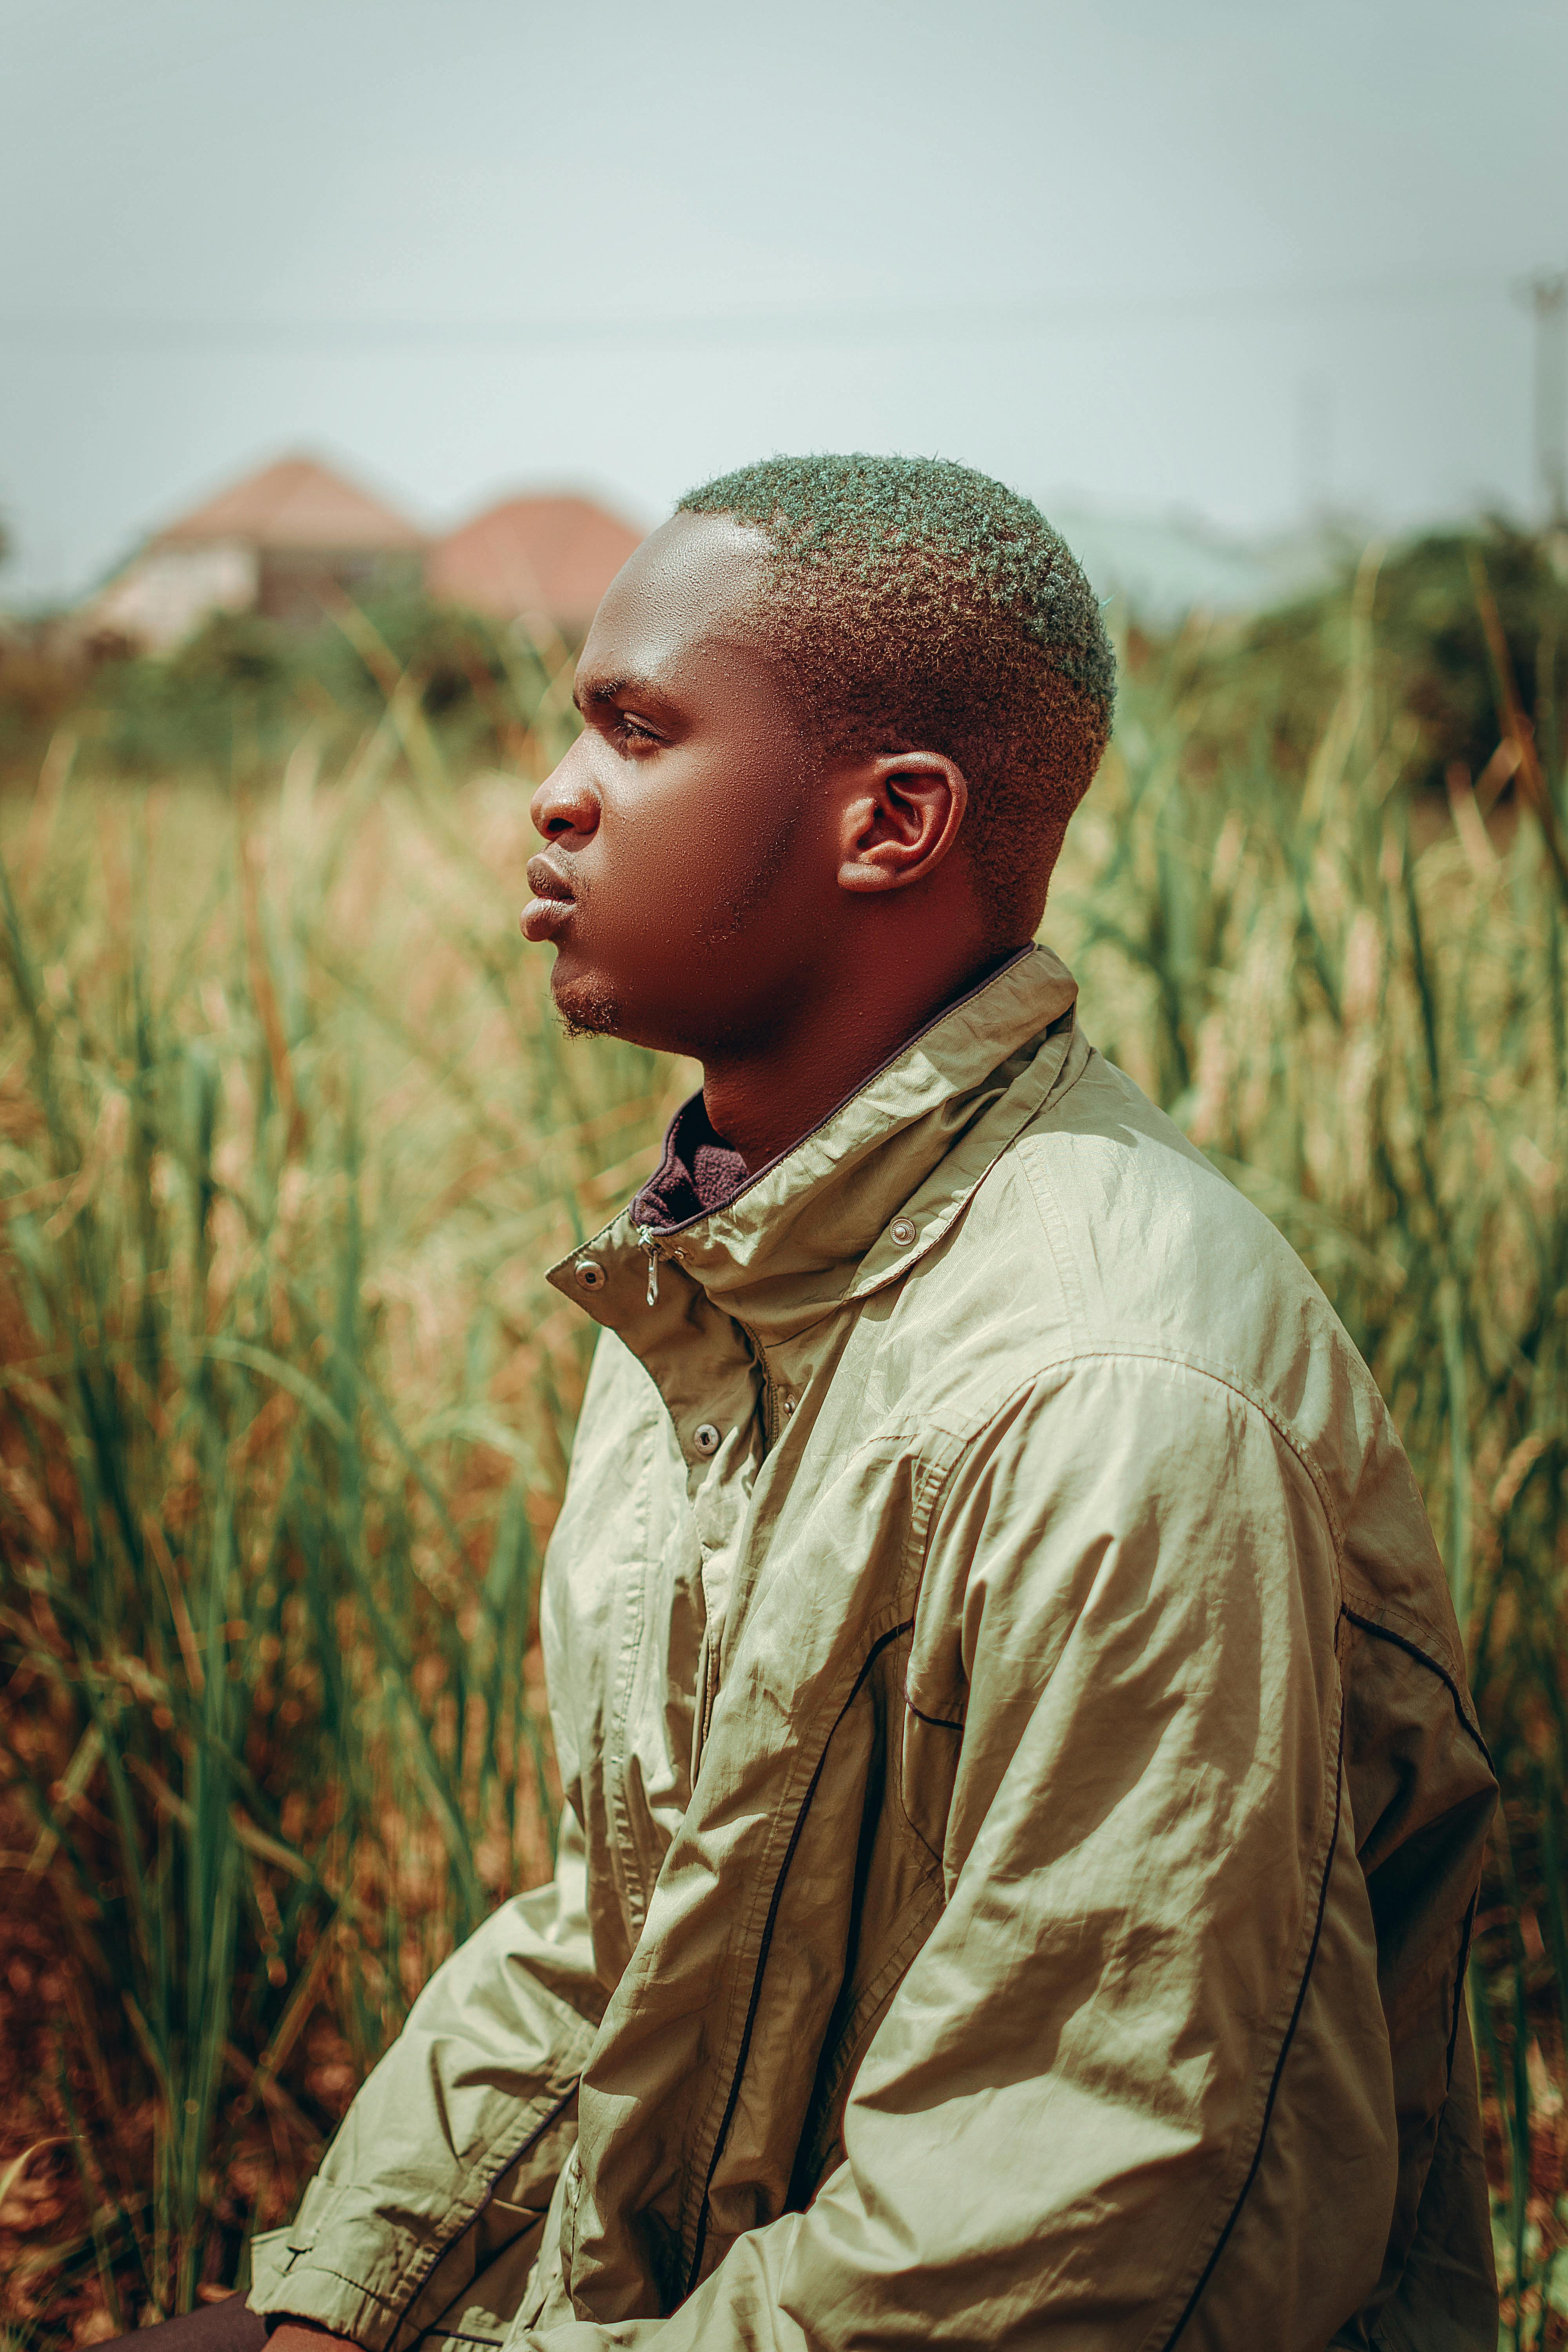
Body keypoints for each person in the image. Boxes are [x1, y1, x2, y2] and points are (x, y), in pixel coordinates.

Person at [186, 455, 1499, 2350]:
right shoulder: (722, 1283)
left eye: (638, 733)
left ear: (889, 823)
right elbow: (626, 1942)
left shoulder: (1117, 1407)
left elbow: (1066, 2226)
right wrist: (330, 2312)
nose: (554, 796)